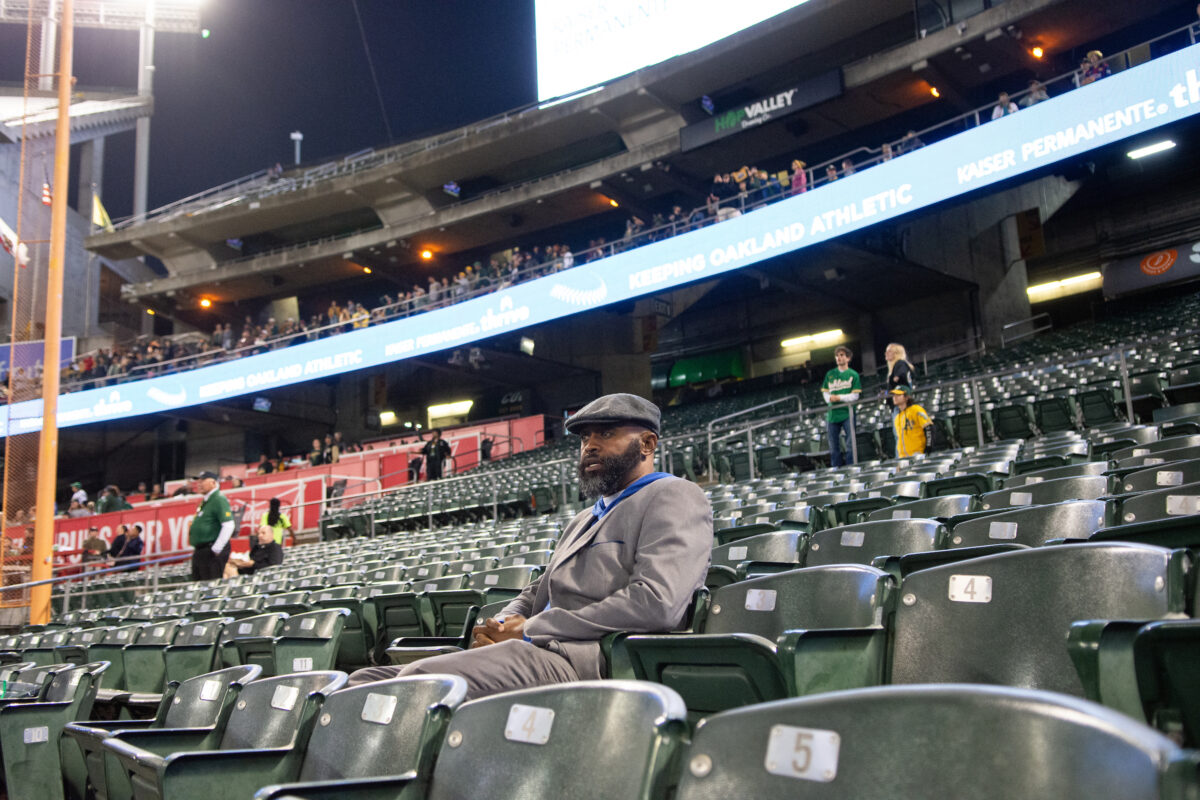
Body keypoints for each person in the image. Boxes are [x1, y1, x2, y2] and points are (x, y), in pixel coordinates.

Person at [346, 393, 712, 696]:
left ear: (648, 443)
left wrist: (534, 627)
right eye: (585, 439)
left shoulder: (673, 496)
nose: (591, 446)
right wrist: (502, 623)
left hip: (587, 661)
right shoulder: (584, 518)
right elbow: (538, 589)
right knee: (362, 681)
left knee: (425, 678)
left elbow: (656, 603)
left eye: (607, 434)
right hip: (534, 651)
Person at [188, 470, 235, 581]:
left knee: (209, 585)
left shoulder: (218, 499)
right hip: (201, 550)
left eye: (202, 481)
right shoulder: (206, 501)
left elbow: (229, 524)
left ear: (213, 482)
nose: (199, 484)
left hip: (210, 550)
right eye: (198, 481)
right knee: (198, 586)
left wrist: (216, 548)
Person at [821, 345, 862, 468]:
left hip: (847, 413)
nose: (838, 358)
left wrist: (839, 398)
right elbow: (825, 392)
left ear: (848, 358)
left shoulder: (853, 374)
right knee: (833, 445)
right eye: (837, 356)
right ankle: (836, 468)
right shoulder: (830, 374)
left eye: (842, 355)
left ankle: (851, 467)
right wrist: (829, 398)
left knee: (850, 443)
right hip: (832, 414)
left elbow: (855, 396)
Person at [891, 385, 934, 457]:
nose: (895, 397)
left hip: (918, 455)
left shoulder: (916, 409)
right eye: (894, 395)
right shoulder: (897, 417)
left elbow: (929, 428)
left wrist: (928, 449)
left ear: (907, 397)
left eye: (898, 395)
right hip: (903, 458)